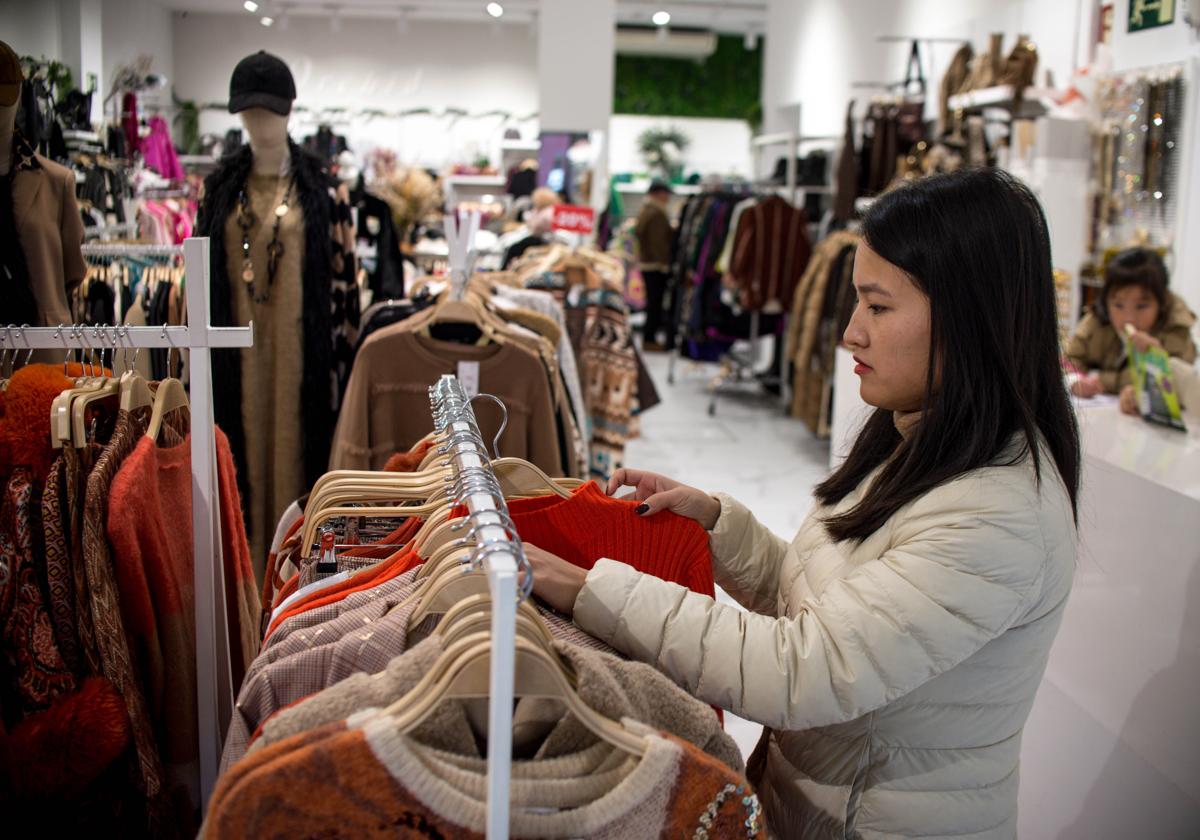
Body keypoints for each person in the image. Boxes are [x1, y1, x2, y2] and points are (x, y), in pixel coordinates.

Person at [525, 168, 1081, 839]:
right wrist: (716, 527)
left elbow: (803, 670)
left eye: (878, 307)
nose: (850, 333)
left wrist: (592, 589)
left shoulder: (997, 515)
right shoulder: (917, 440)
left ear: (972, 318)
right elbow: (836, 606)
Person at [1064, 247, 1197, 398]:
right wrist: (1075, 381)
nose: (1129, 318)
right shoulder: (1098, 318)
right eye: (1118, 305)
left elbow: (1182, 385)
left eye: (1141, 306)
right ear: (1106, 300)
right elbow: (1069, 359)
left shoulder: (1176, 328)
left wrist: (1156, 359)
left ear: (1162, 303)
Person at [635, 180, 675, 351]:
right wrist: (665, 263)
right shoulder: (657, 213)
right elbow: (658, 243)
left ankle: (649, 338)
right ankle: (649, 339)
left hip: (647, 264)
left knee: (652, 303)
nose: (668, 198)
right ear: (659, 193)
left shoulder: (646, 210)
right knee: (655, 304)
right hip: (655, 266)